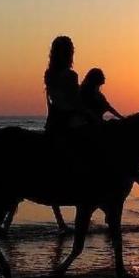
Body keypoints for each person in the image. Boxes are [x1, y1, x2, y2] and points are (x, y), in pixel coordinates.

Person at [43, 35, 87, 231]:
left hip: (53, 124)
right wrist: (90, 115)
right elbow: (75, 103)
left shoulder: (49, 74)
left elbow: (55, 102)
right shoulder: (71, 75)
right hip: (69, 123)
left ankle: (60, 220)